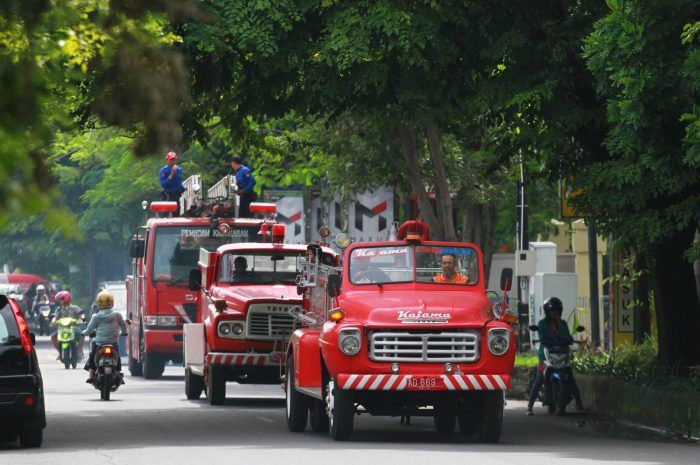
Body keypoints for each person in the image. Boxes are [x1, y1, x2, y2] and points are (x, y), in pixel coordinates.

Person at [526, 296, 584, 415]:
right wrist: (559, 340)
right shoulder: (542, 324)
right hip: (545, 356)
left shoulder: (562, 323)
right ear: (548, 312)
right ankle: (529, 407)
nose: (555, 313)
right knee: (539, 378)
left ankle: (580, 405)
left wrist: (565, 338)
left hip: (562, 354)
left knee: (571, 377)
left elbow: (568, 337)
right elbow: (544, 338)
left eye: (558, 311)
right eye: (553, 311)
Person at [82, 291, 127, 384]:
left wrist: (83, 333)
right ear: (112, 302)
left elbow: (89, 329)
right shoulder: (117, 315)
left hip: (99, 343)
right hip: (113, 342)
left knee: (92, 356)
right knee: (117, 356)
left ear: (98, 302)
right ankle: (118, 373)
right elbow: (123, 325)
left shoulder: (96, 316)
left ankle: (90, 375)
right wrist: (124, 333)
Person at [51, 291, 85, 359]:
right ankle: (60, 352)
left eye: (61, 299)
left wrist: (82, 319)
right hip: (62, 329)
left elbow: (81, 314)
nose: (59, 301)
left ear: (66, 299)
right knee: (53, 337)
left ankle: (78, 352)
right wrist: (53, 321)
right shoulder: (59, 309)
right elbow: (56, 317)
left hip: (74, 328)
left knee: (82, 335)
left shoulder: (75, 307)